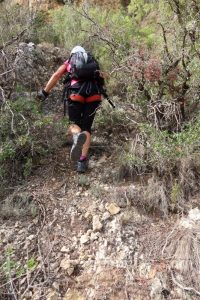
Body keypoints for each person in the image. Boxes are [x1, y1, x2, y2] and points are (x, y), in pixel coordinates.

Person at [38, 45, 105, 173]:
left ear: (73, 54)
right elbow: (102, 79)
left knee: (73, 124)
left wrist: (45, 92)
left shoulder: (70, 61)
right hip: (94, 95)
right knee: (87, 127)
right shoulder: (93, 62)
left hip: (76, 93)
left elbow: (57, 75)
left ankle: (76, 137)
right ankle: (82, 162)